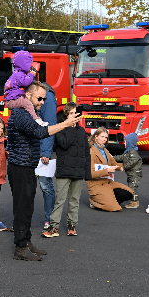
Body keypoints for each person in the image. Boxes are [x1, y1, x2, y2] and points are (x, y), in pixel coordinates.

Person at [7, 81, 80, 261]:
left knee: (28, 207)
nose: (42, 102)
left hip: (27, 166)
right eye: (39, 98)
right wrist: (65, 124)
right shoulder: (20, 114)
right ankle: (20, 248)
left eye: (44, 99)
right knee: (22, 209)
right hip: (20, 168)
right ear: (28, 96)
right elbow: (40, 132)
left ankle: (26, 242)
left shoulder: (31, 113)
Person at [42, 102, 90, 238]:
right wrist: (69, 126)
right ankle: (54, 227)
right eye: (73, 113)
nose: (76, 116)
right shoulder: (61, 129)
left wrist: (87, 173)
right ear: (67, 114)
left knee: (75, 200)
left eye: (77, 113)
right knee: (60, 200)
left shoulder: (81, 131)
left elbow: (86, 152)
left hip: (78, 170)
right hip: (64, 169)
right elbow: (64, 144)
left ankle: (72, 226)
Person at [87, 127, 135, 211]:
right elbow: (90, 174)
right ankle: (94, 201)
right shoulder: (91, 152)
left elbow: (114, 163)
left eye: (106, 137)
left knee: (130, 193)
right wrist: (107, 171)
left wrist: (120, 167)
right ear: (96, 137)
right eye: (102, 137)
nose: (105, 139)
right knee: (114, 208)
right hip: (96, 184)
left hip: (108, 182)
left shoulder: (105, 150)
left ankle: (107, 199)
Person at [37, 83, 57, 232]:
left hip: (39, 150)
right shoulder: (22, 91)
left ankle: (49, 219)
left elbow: (49, 125)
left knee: (45, 187)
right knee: (25, 188)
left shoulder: (47, 96)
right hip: (27, 150)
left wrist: (45, 152)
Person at [4, 50, 44, 124]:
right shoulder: (18, 75)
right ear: (23, 63)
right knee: (27, 103)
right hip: (12, 100)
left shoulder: (17, 73)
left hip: (12, 100)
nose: (30, 65)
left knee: (30, 104)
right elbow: (26, 82)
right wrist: (32, 73)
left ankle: (37, 118)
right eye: (29, 63)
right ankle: (36, 120)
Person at [113, 132, 142, 209]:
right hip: (131, 174)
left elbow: (132, 162)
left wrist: (123, 166)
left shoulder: (133, 153)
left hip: (135, 174)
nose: (124, 143)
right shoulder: (128, 152)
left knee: (133, 188)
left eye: (126, 142)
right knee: (131, 186)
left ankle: (134, 202)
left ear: (130, 143)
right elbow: (121, 157)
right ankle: (133, 200)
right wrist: (112, 158)